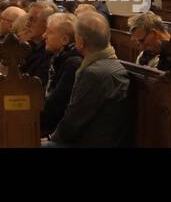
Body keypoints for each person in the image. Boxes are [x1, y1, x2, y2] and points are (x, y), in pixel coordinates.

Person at [46, 11, 130, 147]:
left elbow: (74, 120)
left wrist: (51, 138)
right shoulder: (108, 64)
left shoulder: (94, 73)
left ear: (80, 41)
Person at [40, 12, 82, 135]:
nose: (44, 36)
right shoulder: (58, 57)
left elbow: (55, 107)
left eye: (49, 32)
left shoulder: (72, 65)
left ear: (65, 39)